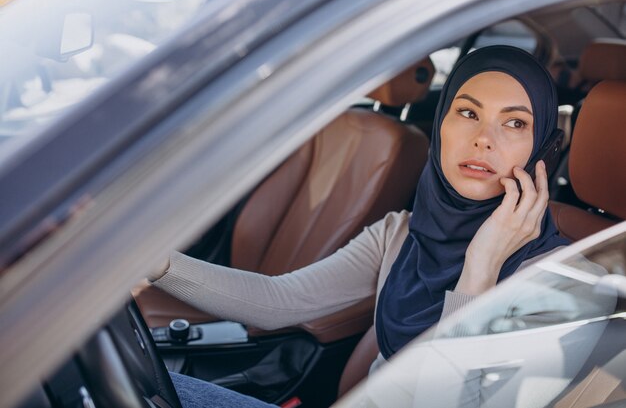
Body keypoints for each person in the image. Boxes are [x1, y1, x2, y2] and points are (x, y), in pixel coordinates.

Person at [149, 45, 569, 407]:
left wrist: (482, 266)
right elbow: (277, 301)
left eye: (515, 122)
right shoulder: (400, 233)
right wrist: (154, 264)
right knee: (143, 386)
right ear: (440, 123)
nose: (483, 138)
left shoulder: (561, 285)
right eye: (466, 112)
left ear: (542, 150)